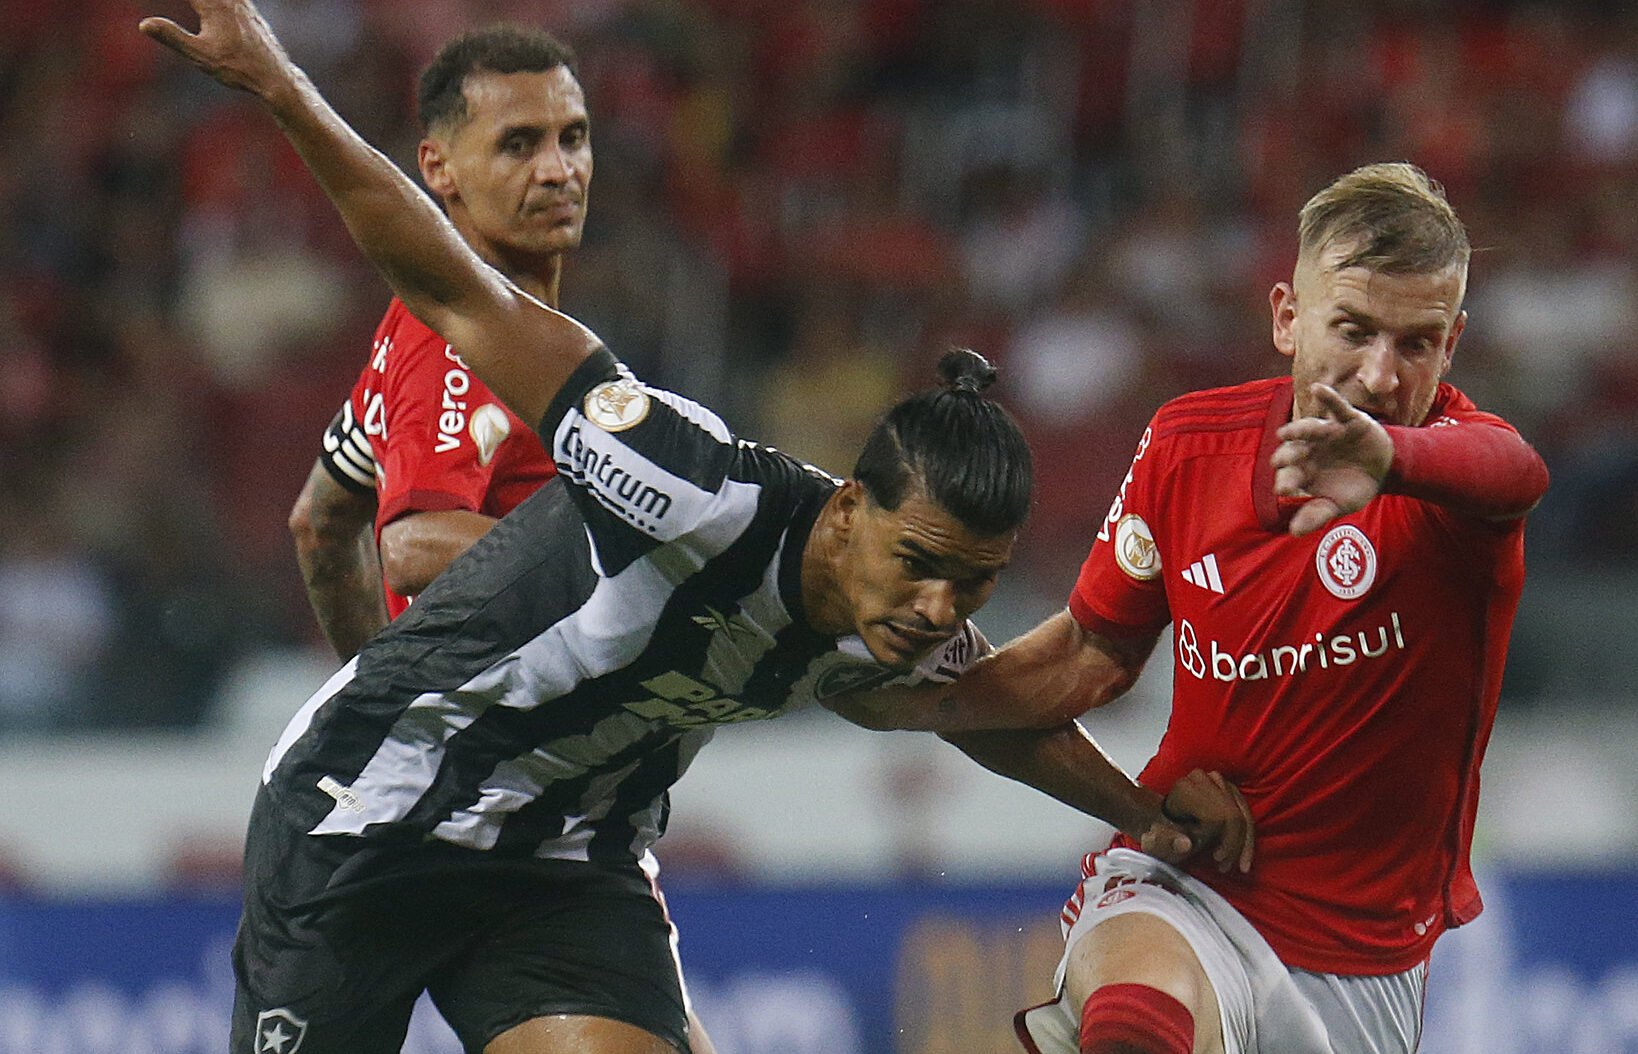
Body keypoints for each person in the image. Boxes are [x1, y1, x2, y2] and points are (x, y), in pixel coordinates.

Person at [139, 3, 1255, 1053]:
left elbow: (993, 711)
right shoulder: (680, 482)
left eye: (970, 586)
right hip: (372, 830)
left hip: (564, 860)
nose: (936, 610)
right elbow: (453, 294)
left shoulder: (883, 619)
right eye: (922, 569)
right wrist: (276, 82)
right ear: (853, 511)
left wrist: (1147, 812)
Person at [938, 162, 1547, 1054]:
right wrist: (924, 693)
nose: (1380, 374)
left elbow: (1519, 471)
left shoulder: (1453, 482)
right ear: (1287, 318)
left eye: (1415, 343)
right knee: (1137, 1024)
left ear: (1451, 345)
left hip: (1365, 957)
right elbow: (1086, 659)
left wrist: (1391, 459)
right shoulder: (1189, 447)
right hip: (1190, 881)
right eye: (1353, 329)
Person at [288, 25, 586, 661]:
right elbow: (414, 545)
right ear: (437, 167)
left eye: (574, 137)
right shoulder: (455, 340)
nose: (559, 171)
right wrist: (619, 563)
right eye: (519, 145)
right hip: (499, 741)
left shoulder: (437, 321)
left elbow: (319, 524)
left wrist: (370, 696)